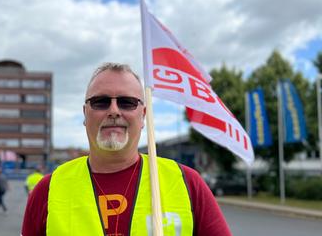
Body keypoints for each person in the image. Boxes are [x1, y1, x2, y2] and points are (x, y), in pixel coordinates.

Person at [22, 63, 232, 236]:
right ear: (85, 114)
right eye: (101, 102)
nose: (114, 111)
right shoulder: (47, 190)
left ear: (143, 115)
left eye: (127, 102)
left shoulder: (188, 183)